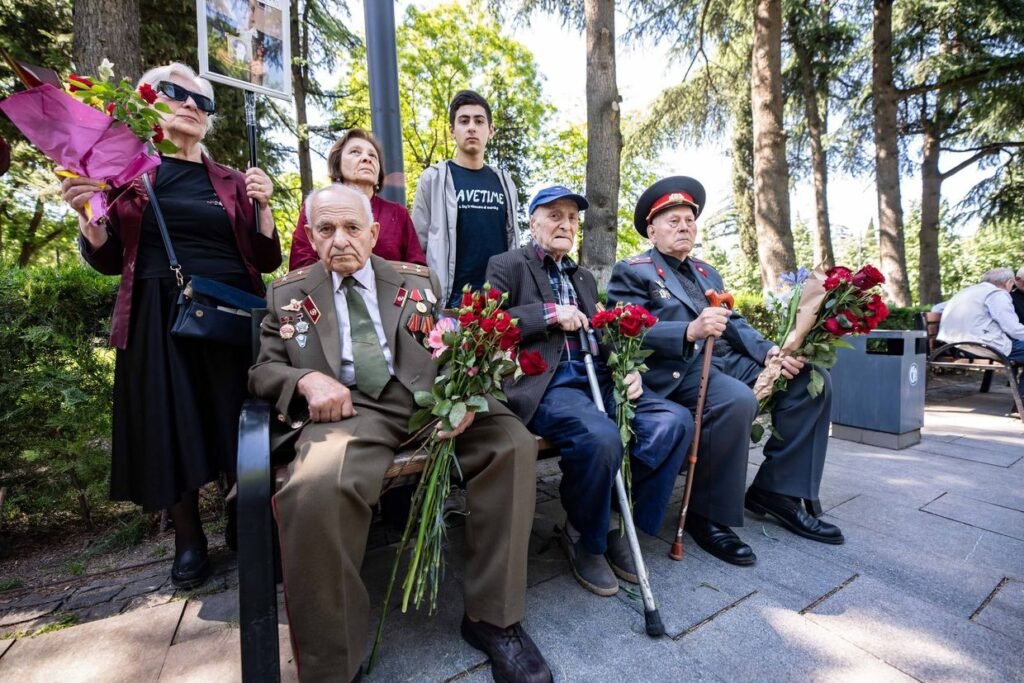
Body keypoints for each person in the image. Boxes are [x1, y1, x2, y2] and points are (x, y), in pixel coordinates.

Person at [250, 184, 551, 683]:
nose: (340, 239)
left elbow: (450, 344)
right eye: (326, 229)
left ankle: (492, 620)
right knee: (315, 489)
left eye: (352, 228)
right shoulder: (289, 294)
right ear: (310, 234)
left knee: (512, 445)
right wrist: (304, 378)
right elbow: (263, 369)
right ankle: (333, 667)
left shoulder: (416, 279)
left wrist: (464, 390)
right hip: (351, 412)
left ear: (373, 234)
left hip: (434, 401)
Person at [60, 62, 282, 588]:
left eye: (203, 102)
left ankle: (242, 521)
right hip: (160, 310)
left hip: (232, 308)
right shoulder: (129, 174)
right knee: (170, 420)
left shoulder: (230, 179)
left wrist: (265, 206)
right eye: (177, 93)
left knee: (239, 419)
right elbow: (112, 257)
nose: (191, 106)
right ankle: (187, 539)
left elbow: (265, 255)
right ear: (151, 102)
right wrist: (88, 222)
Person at [607, 176, 845, 567]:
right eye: (673, 221)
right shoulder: (634, 271)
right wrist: (687, 330)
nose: (684, 226)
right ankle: (709, 514)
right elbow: (623, 331)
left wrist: (770, 352)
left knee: (808, 380)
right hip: (674, 370)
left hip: (718, 361)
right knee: (734, 400)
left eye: (689, 220)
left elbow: (733, 323)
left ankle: (777, 491)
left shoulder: (706, 272)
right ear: (651, 230)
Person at [485, 185, 691, 597]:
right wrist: (548, 314)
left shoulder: (581, 277)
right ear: (533, 222)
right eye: (555, 215)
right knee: (600, 438)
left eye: (572, 218)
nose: (565, 224)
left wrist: (629, 369)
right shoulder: (506, 264)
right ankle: (586, 538)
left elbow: (603, 334)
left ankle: (613, 520)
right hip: (547, 380)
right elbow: (490, 323)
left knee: (675, 421)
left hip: (598, 374)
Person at [412, 89, 519, 307]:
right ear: (452, 130)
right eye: (464, 121)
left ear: (490, 130)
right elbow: (418, 246)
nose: (471, 127)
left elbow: (512, 243)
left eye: (479, 121)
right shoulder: (434, 179)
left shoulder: (505, 182)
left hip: (498, 304)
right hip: (450, 302)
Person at [289, 128, 425, 270]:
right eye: (355, 152)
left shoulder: (397, 214)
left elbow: (416, 270)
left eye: (373, 156)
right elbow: (300, 267)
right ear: (338, 164)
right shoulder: (316, 207)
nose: (367, 158)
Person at [937, 268, 1024, 361]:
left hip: (952, 345)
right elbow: (1013, 329)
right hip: (980, 346)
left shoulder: (967, 291)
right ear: (1009, 282)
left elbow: (937, 308)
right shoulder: (998, 294)